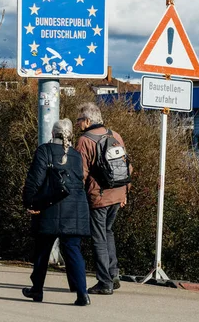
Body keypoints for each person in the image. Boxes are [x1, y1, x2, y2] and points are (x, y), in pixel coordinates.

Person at [22, 118, 91, 306]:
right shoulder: (77, 156)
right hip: (76, 209)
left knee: (42, 251)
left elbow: (35, 179)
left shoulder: (45, 151)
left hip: (50, 207)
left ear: (53, 134)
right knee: (73, 251)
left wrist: (29, 202)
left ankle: (37, 290)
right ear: (70, 135)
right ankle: (82, 293)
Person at [76, 102, 130, 295]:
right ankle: (113, 274)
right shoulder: (115, 135)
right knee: (108, 232)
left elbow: (80, 173)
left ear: (88, 120)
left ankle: (104, 282)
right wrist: (125, 192)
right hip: (118, 193)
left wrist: (75, 197)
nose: (77, 124)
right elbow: (126, 167)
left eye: (79, 120)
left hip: (99, 196)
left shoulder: (85, 140)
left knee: (98, 237)